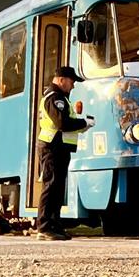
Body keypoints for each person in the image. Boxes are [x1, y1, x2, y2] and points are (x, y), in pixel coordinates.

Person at [35, 66, 90, 241]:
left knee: (57, 188)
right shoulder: (55, 98)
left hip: (59, 147)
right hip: (51, 147)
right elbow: (62, 124)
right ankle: (43, 227)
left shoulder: (61, 99)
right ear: (61, 80)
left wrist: (83, 125)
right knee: (51, 186)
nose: (73, 86)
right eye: (71, 81)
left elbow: (66, 125)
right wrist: (84, 123)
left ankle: (54, 225)